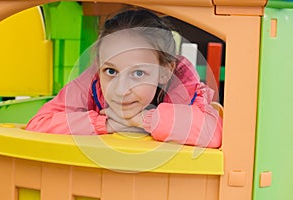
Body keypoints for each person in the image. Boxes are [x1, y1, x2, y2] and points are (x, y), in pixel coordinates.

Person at [26, 8, 222, 148]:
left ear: (165, 71)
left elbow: (212, 134)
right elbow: (38, 123)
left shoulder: (182, 83)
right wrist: (107, 124)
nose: (120, 90)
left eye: (138, 74)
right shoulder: (92, 80)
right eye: (111, 71)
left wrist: (143, 120)